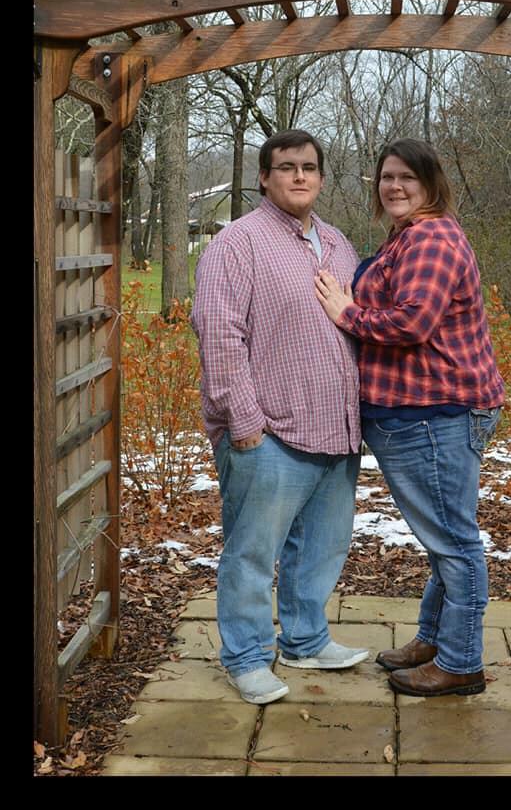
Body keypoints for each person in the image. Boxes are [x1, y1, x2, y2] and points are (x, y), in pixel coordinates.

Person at [315, 138, 505, 698]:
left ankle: (461, 663)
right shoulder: (407, 235)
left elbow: (412, 322)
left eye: (408, 178)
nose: (394, 186)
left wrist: (347, 312)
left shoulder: (431, 238)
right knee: (444, 538)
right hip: (423, 414)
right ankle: (436, 640)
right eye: (387, 177)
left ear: (431, 184)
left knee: (454, 543)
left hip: (434, 414)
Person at [191, 129, 368, 705]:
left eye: (309, 167)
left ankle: (306, 640)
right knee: (251, 554)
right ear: (265, 177)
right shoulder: (237, 243)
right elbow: (219, 334)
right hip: (267, 434)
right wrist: (244, 423)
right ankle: (246, 657)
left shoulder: (338, 244)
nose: (299, 176)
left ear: (321, 178)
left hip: (335, 429)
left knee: (320, 548)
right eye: (286, 167)